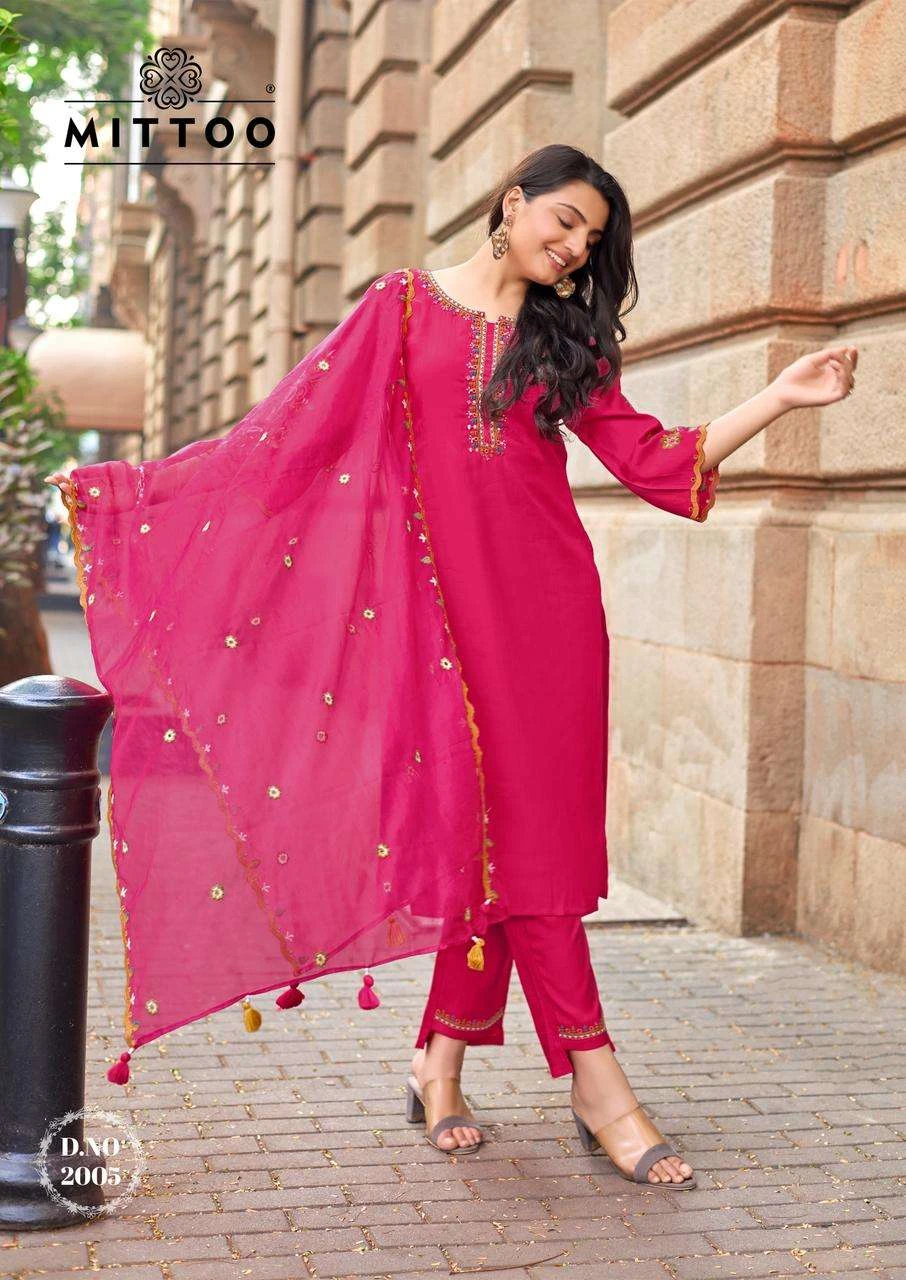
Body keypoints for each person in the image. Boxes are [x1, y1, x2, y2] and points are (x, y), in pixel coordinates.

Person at [47, 143, 856, 1188]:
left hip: (550, 622)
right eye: (565, 220)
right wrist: (134, 495)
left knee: (532, 844)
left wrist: (778, 398)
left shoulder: (566, 341)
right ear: (513, 202)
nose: (575, 248)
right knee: (491, 843)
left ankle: (448, 1062)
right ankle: (588, 1081)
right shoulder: (399, 307)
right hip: (439, 630)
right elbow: (285, 440)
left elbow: (655, 460)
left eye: (592, 240)